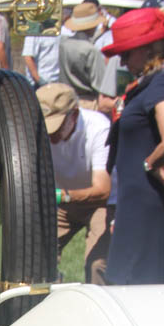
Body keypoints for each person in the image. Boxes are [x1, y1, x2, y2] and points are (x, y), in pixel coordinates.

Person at [102, 8, 164, 285]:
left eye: (126, 53)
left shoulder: (160, 83)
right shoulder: (159, 81)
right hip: (138, 201)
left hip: (145, 205)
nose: (123, 61)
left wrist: (151, 163)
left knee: (136, 285)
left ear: (150, 49)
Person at [36, 82, 111, 284]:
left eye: (57, 127)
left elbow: (103, 189)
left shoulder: (100, 129)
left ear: (75, 115)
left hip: (99, 204)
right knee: (37, 258)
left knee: (97, 265)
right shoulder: (36, 133)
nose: (51, 135)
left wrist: (61, 195)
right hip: (62, 202)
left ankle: (98, 310)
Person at [59, 3, 117, 111]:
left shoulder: (63, 45)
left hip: (68, 102)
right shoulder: (90, 51)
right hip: (89, 104)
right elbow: (102, 85)